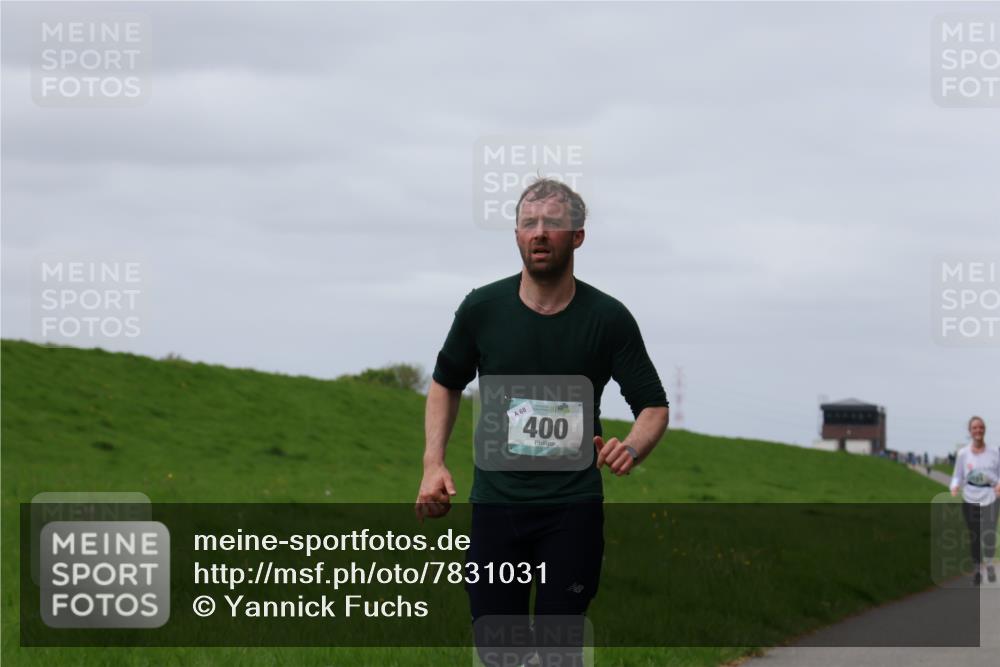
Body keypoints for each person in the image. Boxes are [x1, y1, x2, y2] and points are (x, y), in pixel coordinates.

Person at [415, 178, 670, 665]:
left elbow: (653, 406)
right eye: (528, 223)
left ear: (577, 236)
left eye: (552, 224)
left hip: (571, 510)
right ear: (515, 235)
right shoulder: (482, 309)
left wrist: (633, 447)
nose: (539, 233)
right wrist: (433, 463)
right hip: (496, 510)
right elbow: (446, 382)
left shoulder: (608, 319)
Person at [949, 416, 1000, 586]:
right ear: (970, 431)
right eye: (974, 428)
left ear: (984, 430)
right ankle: (978, 569)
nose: (978, 430)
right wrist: (954, 487)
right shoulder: (963, 454)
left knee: (989, 534)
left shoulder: (994, 452)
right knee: (975, 535)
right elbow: (957, 475)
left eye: (981, 427)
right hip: (970, 497)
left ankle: (990, 563)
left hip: (991, 497)